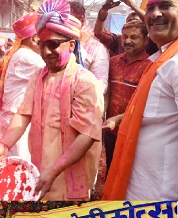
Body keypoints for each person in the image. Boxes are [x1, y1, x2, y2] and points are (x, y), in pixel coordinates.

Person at [0, 0, 104, 200]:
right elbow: (24, 113)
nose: (46, 51)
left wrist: (54, 170)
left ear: (71, 45)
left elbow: (87, 135)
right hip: (41, 168)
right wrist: (4, 144)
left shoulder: (85, 82)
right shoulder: (38, 77)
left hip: (69, 172)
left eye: (53, 44)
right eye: (42, 44)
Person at [102, 0, 178, 200]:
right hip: (142, 190)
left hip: (161, 199)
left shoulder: (174, 64)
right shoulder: (162, 60)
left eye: (166, 6)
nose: (155, 14)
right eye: (150, 8)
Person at [0, 12, 45, 161]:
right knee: (21, 171)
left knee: (16, 170)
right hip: (17, 126)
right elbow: (57, 71)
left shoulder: (20, 55)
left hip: (14, 124)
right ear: (35, 38)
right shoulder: (26, 56)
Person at [103, 20, 152, 176]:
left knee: (129, 174)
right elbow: (107, 93)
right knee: (111, 169)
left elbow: (146, 104)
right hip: (111, 129)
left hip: (135, 132)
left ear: (146, 40)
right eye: (125, 37)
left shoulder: (150, 66)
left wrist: (120, 119)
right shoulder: (113, 62)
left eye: (134, 37)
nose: (128, 41)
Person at [70, 1, 110, 94]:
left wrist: (80, 48)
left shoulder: (96, 49)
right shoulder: (57, 43)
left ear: (82, 20)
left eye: (69, 21)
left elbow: (100, 87)